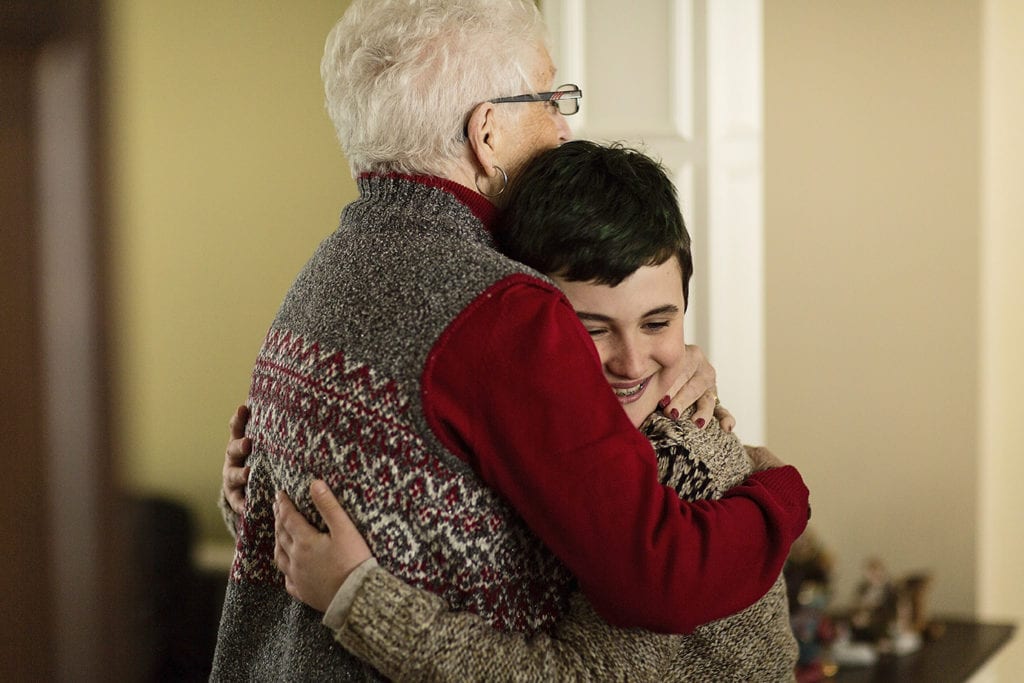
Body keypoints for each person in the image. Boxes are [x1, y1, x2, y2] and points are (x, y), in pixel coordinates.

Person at [211, 1, 810, 679]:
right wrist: (780, 488)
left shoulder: (322, 275)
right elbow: (656, 579)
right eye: (550, 97)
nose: (564, 125)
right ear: (486, 134)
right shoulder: (505, 313)